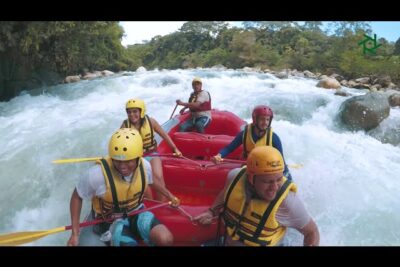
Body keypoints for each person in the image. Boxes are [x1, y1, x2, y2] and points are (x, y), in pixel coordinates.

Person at [67, 128, 179, 246]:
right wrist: (74, 233)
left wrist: (169, 195)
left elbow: (151, 181)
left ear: (137, 158)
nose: (122, 166)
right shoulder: (97, 174)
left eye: (128, 161)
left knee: (165, 239)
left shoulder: (144, 166)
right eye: (117, 160)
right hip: (111, 221)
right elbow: (77, 196)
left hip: (137, 211)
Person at [194, 146, 319, 246]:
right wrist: (211, 212)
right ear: (251, 178)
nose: (275, 187)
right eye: (267, 181)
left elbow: (312, 232)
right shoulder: (235, 176)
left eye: (278, 179)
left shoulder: (287, 202)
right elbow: (225, 193)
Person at [121, 98, 182, 202]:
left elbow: (164, 135)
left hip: (152, 153)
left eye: (135, 111)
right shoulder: (125, 126)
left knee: (158, 178)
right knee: (144, 183)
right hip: (137, 158)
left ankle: (160, 203)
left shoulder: (151, 121)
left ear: (141, 111)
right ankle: (149, 205)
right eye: (129, 112)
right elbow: (120, 144)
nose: (131, 115)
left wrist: (175, 148)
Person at [212, 105, 293, 180]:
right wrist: (219, 155)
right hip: (248, 166)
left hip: (265, 169)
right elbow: (229, 148)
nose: (265, 122)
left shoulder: (274, 138)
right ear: (255, 119)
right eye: (262, 119)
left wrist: (288, 179)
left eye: (267, 119)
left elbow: (282, 161)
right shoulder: (244, 134)